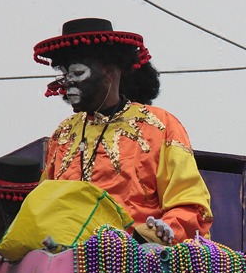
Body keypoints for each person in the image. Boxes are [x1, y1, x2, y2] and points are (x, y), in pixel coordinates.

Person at [34, 18, 212, 244]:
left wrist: (156, 234)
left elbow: (189, 204)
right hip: (64, 262)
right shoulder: (64, 133)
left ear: (109, 73)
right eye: (65, 74)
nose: (68, 82)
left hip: (136, 266)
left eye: (78, 73)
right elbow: (41, 207)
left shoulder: (159, 124)